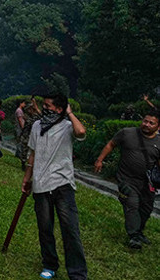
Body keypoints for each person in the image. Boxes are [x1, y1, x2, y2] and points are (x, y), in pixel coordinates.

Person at [21, 94, 87, 280]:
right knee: (45, 228)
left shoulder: (67, 127)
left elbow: (81, 132)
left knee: (70, 230)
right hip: (41, 184)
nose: (45, 108)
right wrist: (27, 178)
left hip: (62, 184)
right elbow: (33, 153)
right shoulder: (36, 126)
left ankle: (77, 273)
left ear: (59, 109)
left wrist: (70, 113)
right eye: (44, 105)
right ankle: (50, 265)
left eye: (48, 105)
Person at [94, 109, 160, 249]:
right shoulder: (127, 133)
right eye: (145, 121)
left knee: (146, 209)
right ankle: (133, 236)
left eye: (151, 123)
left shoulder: (159, 142)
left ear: (158, 127)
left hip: (147, 182)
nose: (147, 124)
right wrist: (100, 160)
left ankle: (139, 231)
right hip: (126, 178)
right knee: (132, 203)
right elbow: (111, 144)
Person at [15, 98, 41, 170]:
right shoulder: (29, 117)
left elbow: (41, 116)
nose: (32, 110)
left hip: (31, 136)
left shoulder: (32, 117)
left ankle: (28, 164)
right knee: (25, 151)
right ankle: (24, 164)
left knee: (30, 152)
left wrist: (35, 106)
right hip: (27, 136)